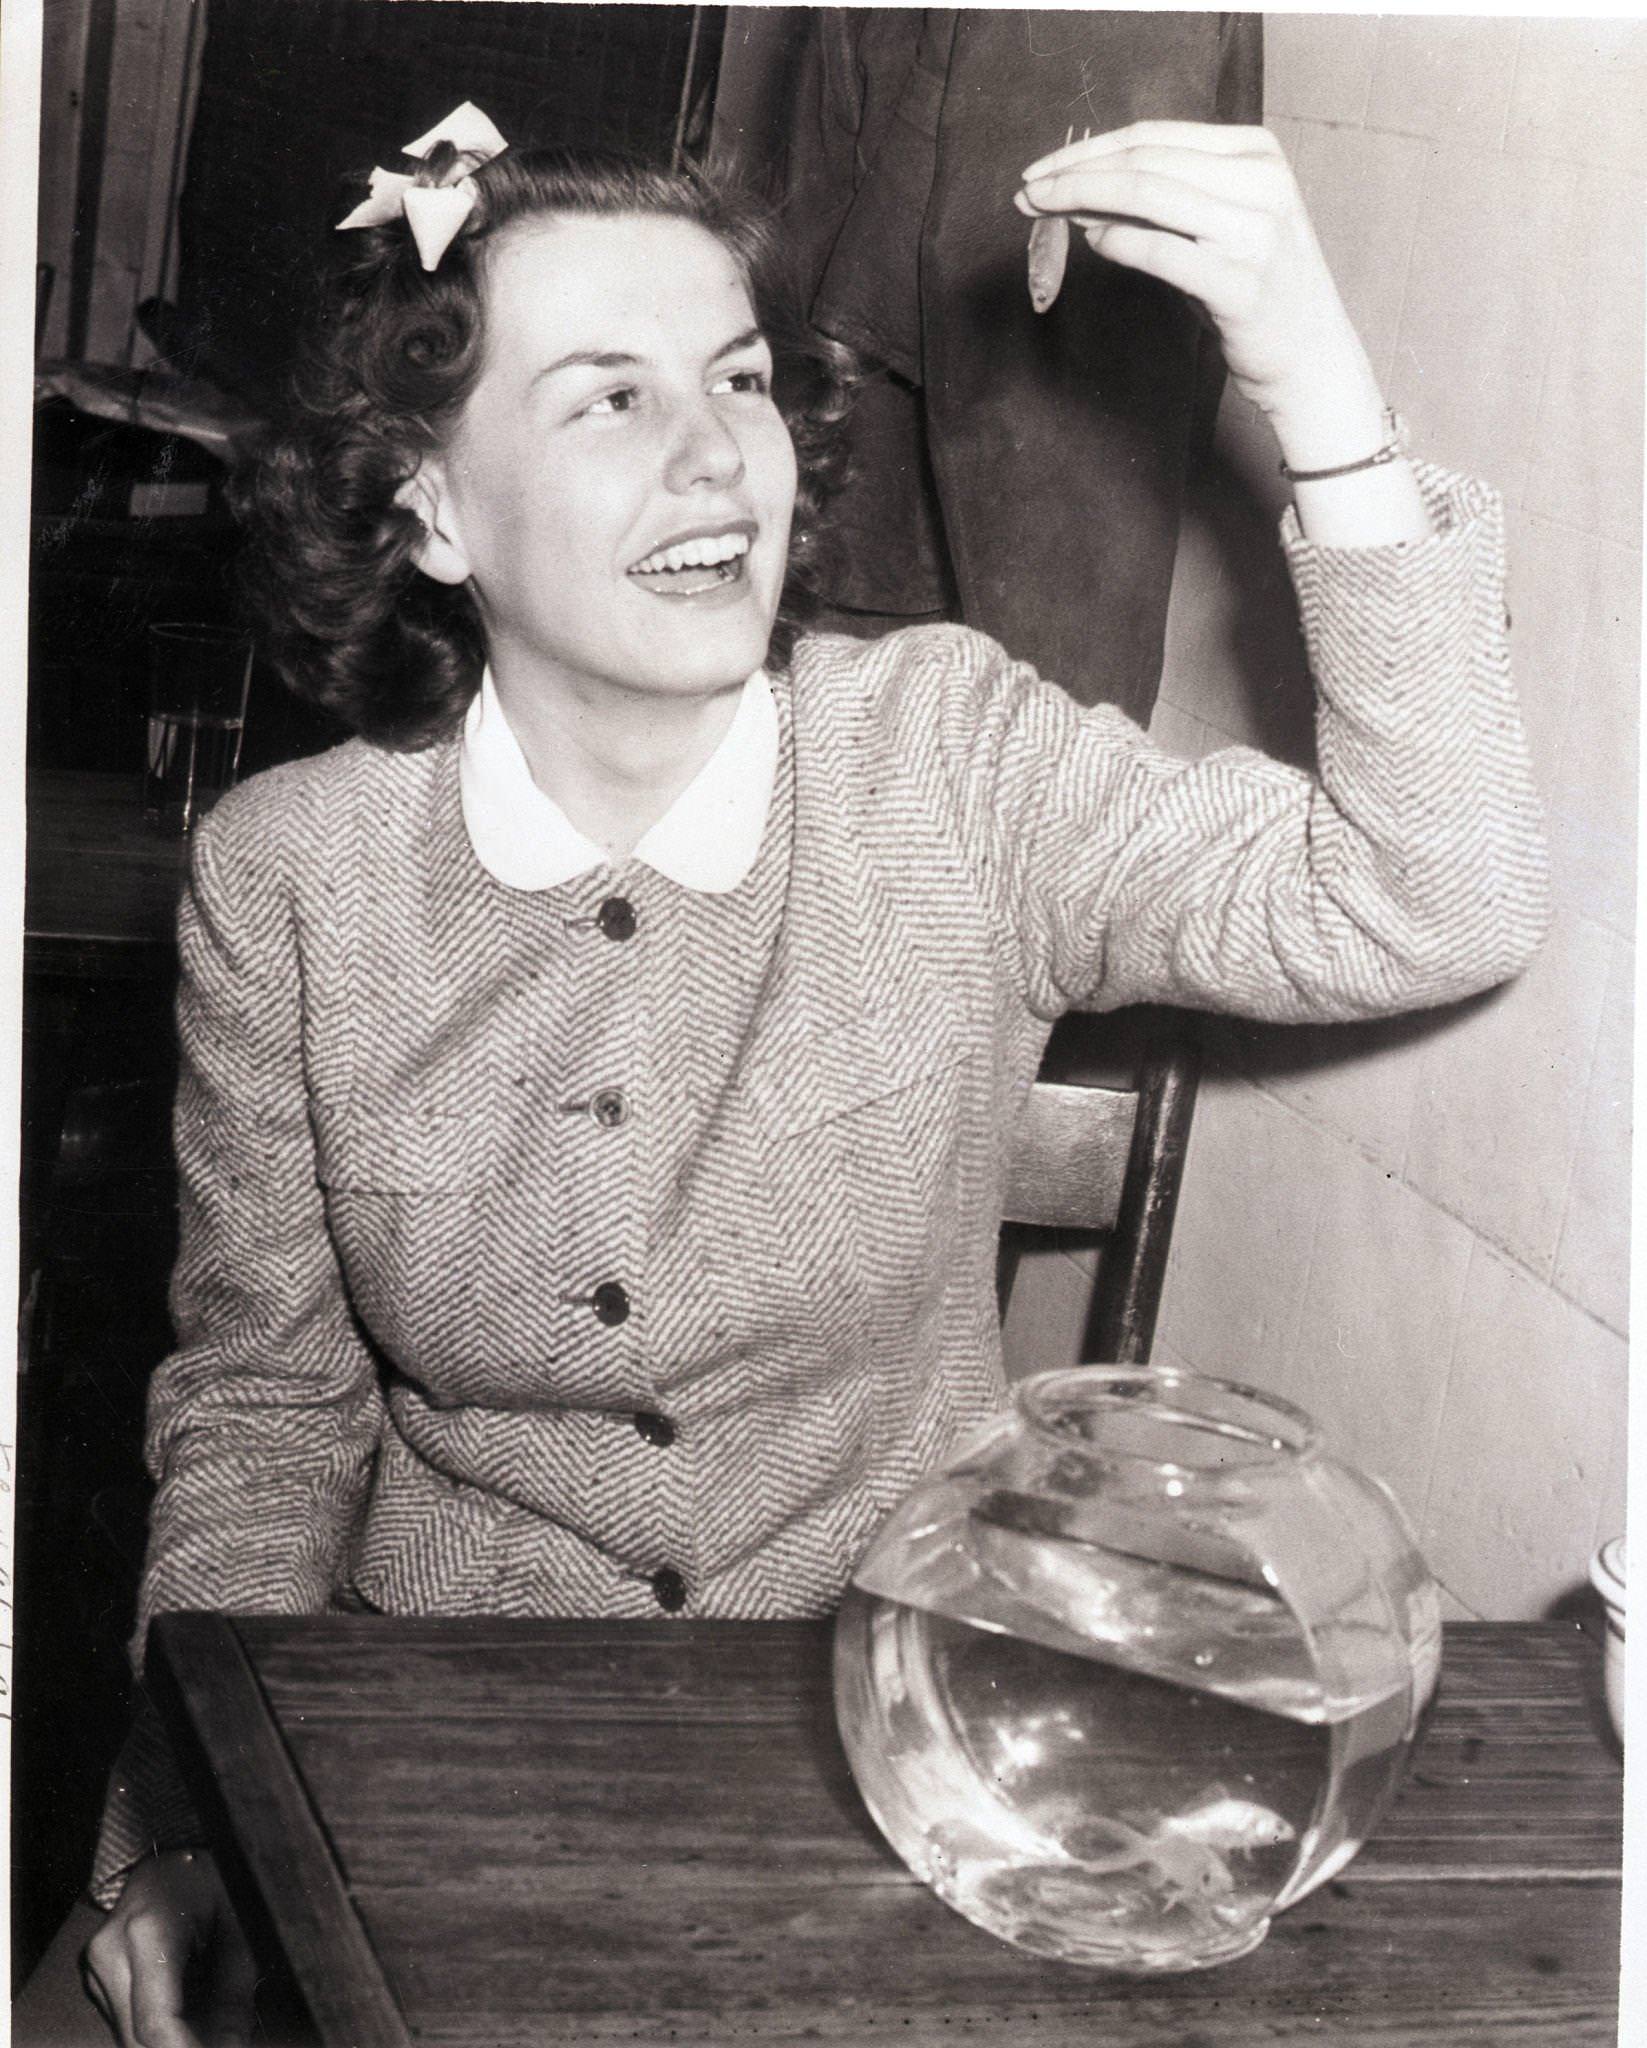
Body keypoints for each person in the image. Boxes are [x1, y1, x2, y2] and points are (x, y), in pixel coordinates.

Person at [81, 102, 1547, 2048]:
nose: (711, 460)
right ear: (429, 509)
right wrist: (175, 1824)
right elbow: (261, 1414)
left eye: (741, 382)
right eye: (604, 398)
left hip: (914, 1765)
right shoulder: (291, 879)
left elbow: (1425, 897)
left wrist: (1314, 383)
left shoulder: (944, 759)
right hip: (439, 1762)